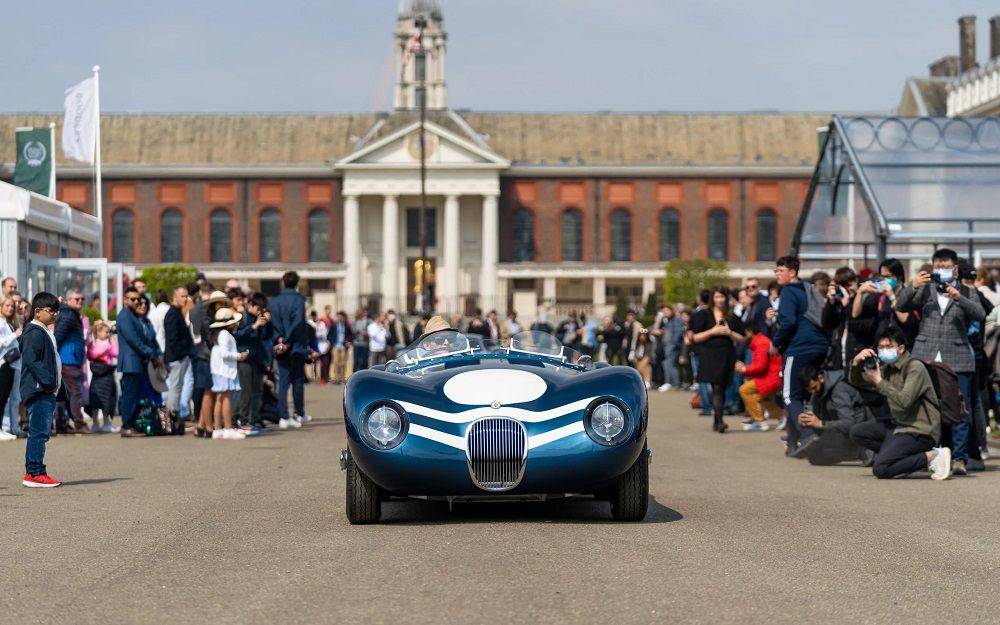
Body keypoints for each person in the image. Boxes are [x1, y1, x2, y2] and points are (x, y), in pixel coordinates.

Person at [894, 248, 984, 476]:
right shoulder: (926, 289)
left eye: (945, 266)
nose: (941, 270)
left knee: (959, 409)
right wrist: (913, 285)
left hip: (957, 356)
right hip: (927, 354)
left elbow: (980, 314)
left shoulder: (965, 290)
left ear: (955, 268)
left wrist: (958, 297)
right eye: (938, 266)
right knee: (925, 407)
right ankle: (932, 454)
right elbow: (901, 305)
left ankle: (960, 459)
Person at [848, 327, 951, 480]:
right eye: (881, 348)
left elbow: (904, 401)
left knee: (881, 469)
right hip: (899, 425)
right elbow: (857, 381)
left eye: (889, 347)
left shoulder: (915, 368)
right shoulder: (887, 369)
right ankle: (904, 459)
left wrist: (880, 382)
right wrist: (856, 362)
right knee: (857, 431)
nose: (884, 351)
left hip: (920, 430)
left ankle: (934, 456)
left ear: (901, 348)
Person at [769, 256, 830, 455]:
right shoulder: (810, 289)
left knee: (789, 395)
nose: (777, 274)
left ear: (792, 272)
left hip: (799, 348)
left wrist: (776, 342)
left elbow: (788, 322)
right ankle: (794, 443)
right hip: (819, 345)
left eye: (780, 270)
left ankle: (806, 436)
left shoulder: (788, 291)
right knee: (805, 395)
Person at [20, 292, 64, 487]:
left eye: (57, 311)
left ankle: (35, 471)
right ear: (37, 312)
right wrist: (48, 382)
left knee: (41, 432)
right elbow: (32, 359)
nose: (55, 314)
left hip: (46, 391)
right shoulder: (34, 331)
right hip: (40, 391)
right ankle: (35, 473)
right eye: (51, 311)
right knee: (39, 433)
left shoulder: (44, 330)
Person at [689, 286, 746, 433]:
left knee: (723, 386)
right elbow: (695, 337)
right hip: (709, 354)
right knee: (716, 387)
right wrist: (712, 331)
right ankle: (719, 420)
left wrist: (729, 332)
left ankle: (717, 419)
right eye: (717, 297)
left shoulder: (732, 317)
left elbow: (742, 338)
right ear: (712, 299)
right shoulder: (703, 315)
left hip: (726, 354)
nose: (720, 300)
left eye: (722, 297)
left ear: (727, 298)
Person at [795, 365, 873, 464]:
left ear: (820, 378)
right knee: (815, 456)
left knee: (817, 455)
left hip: (858, 429)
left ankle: (862, 451)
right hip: (841, 430)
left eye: (814, 388)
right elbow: (817, 417)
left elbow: (849, 423)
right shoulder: (818, 392)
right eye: (809, 390)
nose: (813, 392)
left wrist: (821, 424)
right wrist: (806, 421)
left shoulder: (839, 391)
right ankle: (858, 451)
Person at [117, 287, 163, 438]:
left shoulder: (132, 316)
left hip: (137, 361)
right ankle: (126, 426)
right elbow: (133, 340)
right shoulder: (124, 316)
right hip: (131, 362)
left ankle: (131, 425)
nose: (136, 302)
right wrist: (151, 354)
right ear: (125, 300)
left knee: (131, 395)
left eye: (138, 299)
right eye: (133, 299)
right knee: (128, 395)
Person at [269, 271, 310, 428]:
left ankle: (283, 415)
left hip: (281, 344)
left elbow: (274, 323)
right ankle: (299, 413)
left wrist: (281, 339)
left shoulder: (274, 301)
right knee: (298, 380)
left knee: (283, 380)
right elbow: (298, 321)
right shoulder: (299, 299)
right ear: (296, 283)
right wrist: (289, 339)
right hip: (296, 344)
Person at [53, 289, 91, 434]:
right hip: (67, 359)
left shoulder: (70, 314)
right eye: (77, 299)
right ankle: (79, 424)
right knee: (75, 392)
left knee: (64, 394)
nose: (80, 301)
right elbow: (57, 337)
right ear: (68, 300)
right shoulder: (68, 315)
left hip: (68, 359)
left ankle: (62, 425)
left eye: (82, 299)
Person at [232, 292, 271, 434]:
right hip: (245, 359)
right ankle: (240, 419)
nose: (260, 312)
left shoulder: (257, 319)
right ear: (251, 305)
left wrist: (266, 323)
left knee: (256, 392)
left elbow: (265, 338)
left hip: (256, 360)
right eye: (258, 309)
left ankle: (254, 419)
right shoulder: (242, 317)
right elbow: (238, 335)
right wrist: (253, 326)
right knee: (245, 392)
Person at [209, 308, 249, 440]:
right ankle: (227, 428)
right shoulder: (225, 335)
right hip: (225, 371)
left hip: (218, 370)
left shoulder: (218, 334)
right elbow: (225, 354)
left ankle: (218, 430)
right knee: (226, 398)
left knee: (220, 398)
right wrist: (239, 356)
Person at [736, 320, 782, 431]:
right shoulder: (761, 341)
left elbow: (760, 366)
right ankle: (782, 416)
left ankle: (759, 421)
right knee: (759, 397)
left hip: (771, 377)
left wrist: (743, 369)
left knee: (744, 390)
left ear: (750, 332)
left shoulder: (760, 343)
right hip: (774, 376)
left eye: (745, 332)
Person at [163, 286, 193, 424]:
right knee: (175, 389)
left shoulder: (176, 313)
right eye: (182, 296)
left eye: (186, 296)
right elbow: (173, 338)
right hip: (177, 358)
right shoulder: (173, 314)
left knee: (177, 388)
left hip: (178, 356)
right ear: (174, 297)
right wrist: (182, 353)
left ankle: (172, 419)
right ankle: (170, 421)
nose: (185, 299)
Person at [86, 321, 119, 433]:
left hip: (96, 376)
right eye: (106, 332)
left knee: (96, 402)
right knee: (106, 400)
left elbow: (90, 356)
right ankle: (106, 423)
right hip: (106, 375)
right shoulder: (108, 344)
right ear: (99, 332)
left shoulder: (92, 345)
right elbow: (116, 353)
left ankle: (96, 423)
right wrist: (112, 343)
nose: (108, 334)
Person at [0, 295, 24, 440]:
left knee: (15, 397)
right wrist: (15, 335)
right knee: (3, 398)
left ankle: (13, 427)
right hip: (4, 363)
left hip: (15, 364)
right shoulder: (1, 323)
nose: (10, 308)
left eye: (11, 306)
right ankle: (4, 427)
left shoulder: (9, 323)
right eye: (7, 305)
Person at [329, 311, 352, 384]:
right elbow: (329, 335)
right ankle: (336, 377)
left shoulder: (346, 325)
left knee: (342, 363)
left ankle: (342, 378)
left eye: (341, 317)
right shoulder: (334, 325)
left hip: (343, 346)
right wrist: (330, 341)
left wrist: (349, 342)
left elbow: (350, 335)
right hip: (336, 346)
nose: (339, 318)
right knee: (336, 362)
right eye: (338, 316)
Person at [351, 308, 370, 374]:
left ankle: (364, 375)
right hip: (356, 344)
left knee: (364, 361)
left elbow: (370, 332)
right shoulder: (355, 321)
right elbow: (352, 330)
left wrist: (364, 333)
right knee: (356, 361)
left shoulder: (368, 321)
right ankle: (355, 375)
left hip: (365, 344)